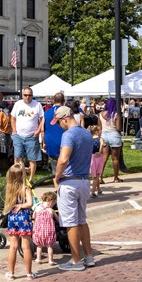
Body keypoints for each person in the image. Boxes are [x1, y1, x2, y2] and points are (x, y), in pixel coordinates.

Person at [52, 105, 94, 271]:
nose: (59, 126)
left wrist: (57, 175)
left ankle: (76, 260)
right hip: (84, 180)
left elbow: (63, 159)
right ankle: (88, 256)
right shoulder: (86, 133)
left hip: (70, 182)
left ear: (64, 119)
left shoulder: (68, 134)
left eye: (59, 122)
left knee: (71, 223)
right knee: (82, 220)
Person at [3, 163, 35, 280]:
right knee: (26, 247)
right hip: (24, 218)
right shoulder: (25, 188)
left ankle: (11, 273)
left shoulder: (9, 188)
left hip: (12, 217)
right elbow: (30, 203)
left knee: (13, 246)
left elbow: (7, 204)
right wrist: (22, 205)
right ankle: (29, 273)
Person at [10, 86, 44, 181]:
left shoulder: (37, 105)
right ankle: (18, 177)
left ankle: (30, 179)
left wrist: (38, 132)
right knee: (17, 157)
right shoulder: (17, 104)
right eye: (25, 95)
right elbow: (13, 118)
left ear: (32, 95)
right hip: (18, 135)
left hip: (32, 136)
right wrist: (15, 131)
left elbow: (42, 119)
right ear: (22, 95)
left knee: (32, 159)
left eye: (29, 95)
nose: (27, 97)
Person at [99, 97, 123, 183]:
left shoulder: (100, 114)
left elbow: (100, 128)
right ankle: (116, 178)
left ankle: (100, 177)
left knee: (103, 158)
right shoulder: (116, 114)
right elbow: (118, 128)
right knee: (115, 158)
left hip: (104, 135)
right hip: (114, 135)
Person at [42, 91, 66, 176]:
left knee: (54, 167)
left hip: (50, 141)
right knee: (65, 167)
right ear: (63, 101)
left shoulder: (46, 113)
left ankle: (56, 186)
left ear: (53, 101)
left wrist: (43, 142)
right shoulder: (66, 112)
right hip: (64, 141)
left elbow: (42, 129)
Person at [33, 190, 57, 265]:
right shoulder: (51, 210)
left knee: (39, 246)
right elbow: (58, 219)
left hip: (39, 231)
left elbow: (33, 217)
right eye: (54, 202)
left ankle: (38, 259)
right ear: (51, 201)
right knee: (50, 246)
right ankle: (50, 261)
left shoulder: (37, 208)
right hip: (49, 231)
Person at [88, 125, 103, 197]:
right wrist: (100, 151)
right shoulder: (100, 138)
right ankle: (93, 191)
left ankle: (99, 189)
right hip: (98, 157)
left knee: (95, 174)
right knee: (96, 175)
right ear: (97, 131)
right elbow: (102, 145)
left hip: (91, 157)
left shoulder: (89, 139)